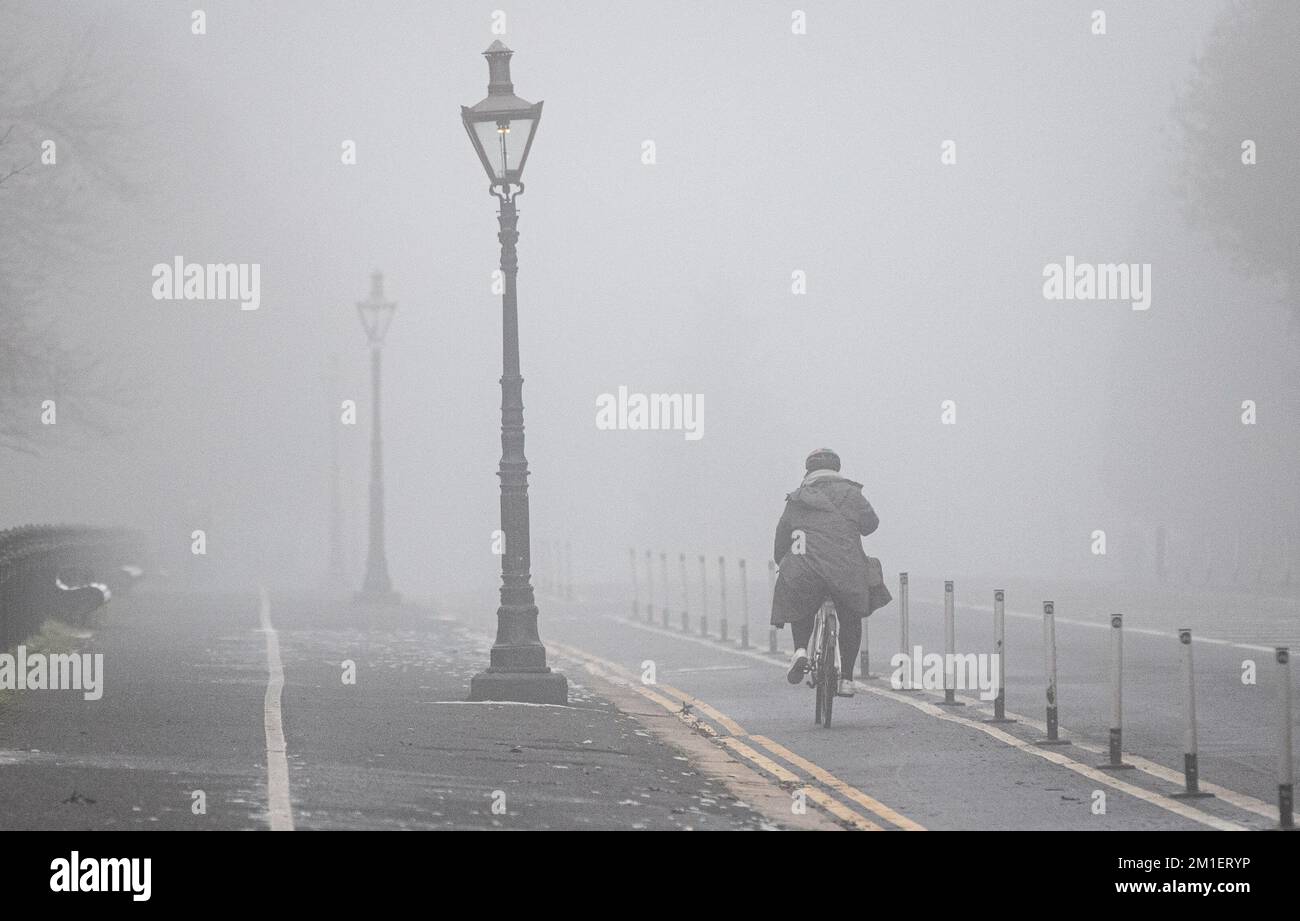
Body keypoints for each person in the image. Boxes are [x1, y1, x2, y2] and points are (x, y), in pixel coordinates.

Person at [770, 448, 890, 697]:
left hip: (806, 569)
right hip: (845, 570)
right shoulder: (852, 494)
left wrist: (782, 561)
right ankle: (846, 678)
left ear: (809, 471)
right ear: (836, 470)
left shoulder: (798, 498)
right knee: (850, 616)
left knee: (800, 603)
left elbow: (782, 536)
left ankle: (801, 650)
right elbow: (871, 525)